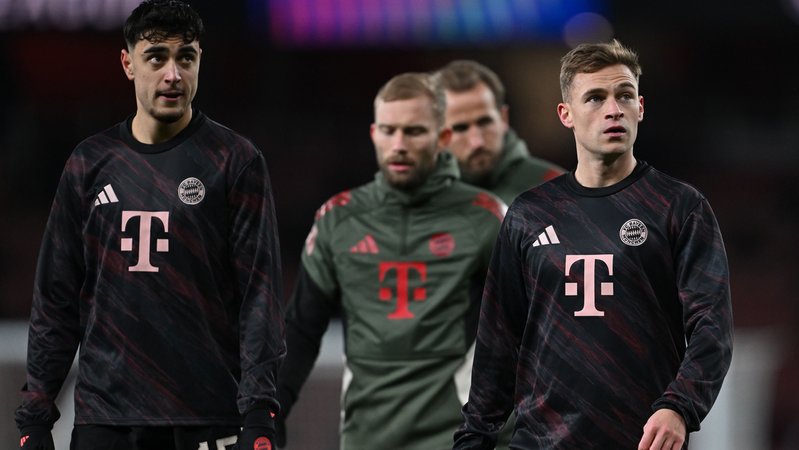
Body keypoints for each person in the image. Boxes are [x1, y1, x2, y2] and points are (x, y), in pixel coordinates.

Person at [14, 1, 284, 449]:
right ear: (128, 63)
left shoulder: (234, 161)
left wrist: (259, 409)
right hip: (107, 419)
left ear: (200, 62)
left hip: (206, 417)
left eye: (186, 58)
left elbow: (260, 297)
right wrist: (37, 416)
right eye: (156, 57)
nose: (173, 74)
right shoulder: (89, 163)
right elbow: (56, 299)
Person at [453, 39, 734, 450]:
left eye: (624, 95)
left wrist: (679, 407)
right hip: (538, 442)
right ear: (566, 114)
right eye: (595, 97)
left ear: (641, 107)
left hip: (640, 442)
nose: (613, 109)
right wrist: (474, 436)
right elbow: (499, 338)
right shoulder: (529, 214)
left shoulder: (679, 207)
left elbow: (713, 328)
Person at [275, 73, 505, 450]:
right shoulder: (339, 219)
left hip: (457, 439)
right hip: (367, 437)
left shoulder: (487, 219)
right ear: (373, 134)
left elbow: (527, 335)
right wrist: (272, 410)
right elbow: (301, 327)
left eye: (413, 132)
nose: (398, 145)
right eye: (388, 130)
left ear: (443, 138)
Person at [434, 60, 565, 205]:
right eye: (460, 128)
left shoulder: (554, 189)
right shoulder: (418, 199)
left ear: (503, 118)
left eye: (485, 122)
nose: (477, 141)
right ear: (438, 134)